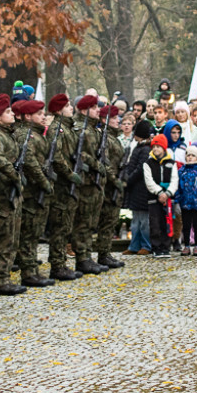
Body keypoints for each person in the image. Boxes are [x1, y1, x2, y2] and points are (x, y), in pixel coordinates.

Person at [0, 94, 27, 295]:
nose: (12, 115)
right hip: (0, 195)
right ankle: (0, 280)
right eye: (8, 112)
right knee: (2, 240)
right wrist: (14, 174)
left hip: (10, 194)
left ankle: (4, 276)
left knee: (10, 238)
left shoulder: (7, 134)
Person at [12, 99, 56, 287]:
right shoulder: (26, 135)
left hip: (38, 189)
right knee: (28, 233)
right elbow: (30, 162)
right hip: (31, 191)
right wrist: (44, 181)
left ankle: (32, 269)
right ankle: (28, 272)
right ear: (28, 116)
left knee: (35, 232)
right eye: (39, 114)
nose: (43, 116)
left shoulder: (37, 134)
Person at [45, 95, 82, 280]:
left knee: (65, 225)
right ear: (59, 110)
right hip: (61, 184)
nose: (71, 108)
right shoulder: (57, 129)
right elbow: (57, 156)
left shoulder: (67, 128)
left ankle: (61, 263)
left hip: (67, 184)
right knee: (59, 226)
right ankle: (57, 265)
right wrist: (69, 174)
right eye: (67, 106)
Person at [70, 94, 108, 275]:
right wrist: (95, 165)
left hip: (93, 182)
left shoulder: (94, 129)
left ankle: (87, 255)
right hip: (85, 182)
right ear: (84, 110)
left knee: (90, 221)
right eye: (93, 108)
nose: (98, 110)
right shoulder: (81, 129)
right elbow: (80, 154)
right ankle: (82, 258)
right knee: (83, 221)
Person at [93, 105, 127, 269]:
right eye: (113, 118)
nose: (117, 121)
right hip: (108, 186)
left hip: (114, 184)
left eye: (117, 118)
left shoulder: (114, 137)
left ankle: (105, 252)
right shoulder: (105, 137)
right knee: (107, 220)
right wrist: (115, 180)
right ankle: (103, 254)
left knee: (111, 220)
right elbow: (104, 163)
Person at [123, 120, 154, 255]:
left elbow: (141, 168)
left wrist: (129, 179)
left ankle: (146, 245)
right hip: (136, 190)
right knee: (136, 220)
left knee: (144, 221)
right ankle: (134, 245)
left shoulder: (145, 149)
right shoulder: (138, 147)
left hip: (142, 189)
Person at [144, 134, 178, 257]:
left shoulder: (171, 163)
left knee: (167, 223)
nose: (156, 149)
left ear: (164, 148)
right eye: (154, 146)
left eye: (158, 146)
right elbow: (149, 181)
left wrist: (168, 193)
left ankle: (165, 246)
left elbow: (175, 180)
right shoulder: (148, 163)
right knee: (155, 223)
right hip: (154, 198)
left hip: (167, 199)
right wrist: (159, 192)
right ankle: (156, 247)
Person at [174, 146, 197, 255]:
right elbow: (178, 188)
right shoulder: (181, 171)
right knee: (186, 226)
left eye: (193, 155)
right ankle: (186, 245)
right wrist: (176, 202)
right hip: (185, 204)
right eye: (188, 155)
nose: (190, 158)